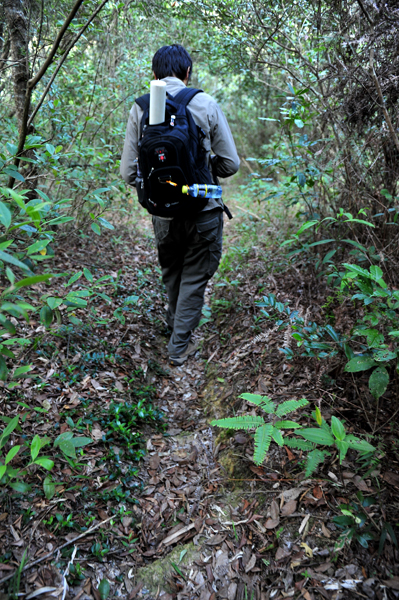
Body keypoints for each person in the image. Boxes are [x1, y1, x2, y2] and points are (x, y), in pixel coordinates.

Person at [120, 44, 240, 366]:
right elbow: (231, 163)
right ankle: (179, 347)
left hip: (164, 213)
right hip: (203, 210)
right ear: (187, 73)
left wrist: (164, 185)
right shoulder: (204, 102)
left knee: (173, 271)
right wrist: (201, 171)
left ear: (154, 74)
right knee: (195, 276)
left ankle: (174, 326)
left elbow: (128, 172)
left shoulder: (141, 108)